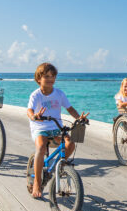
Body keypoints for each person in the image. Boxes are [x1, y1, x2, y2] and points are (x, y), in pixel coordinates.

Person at [27, 62, 89, 198]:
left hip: (56, 127)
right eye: (46, 76)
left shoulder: (59, 93)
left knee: (70, 144)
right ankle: (37, 182)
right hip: (40, 127)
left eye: (53, 76)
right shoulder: (36, 95)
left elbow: (70, 108)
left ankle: (59, 166)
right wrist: (34, 116)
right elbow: (29, 110)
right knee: (41, 147)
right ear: (38, 79)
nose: (50, 79)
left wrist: (79, 118)